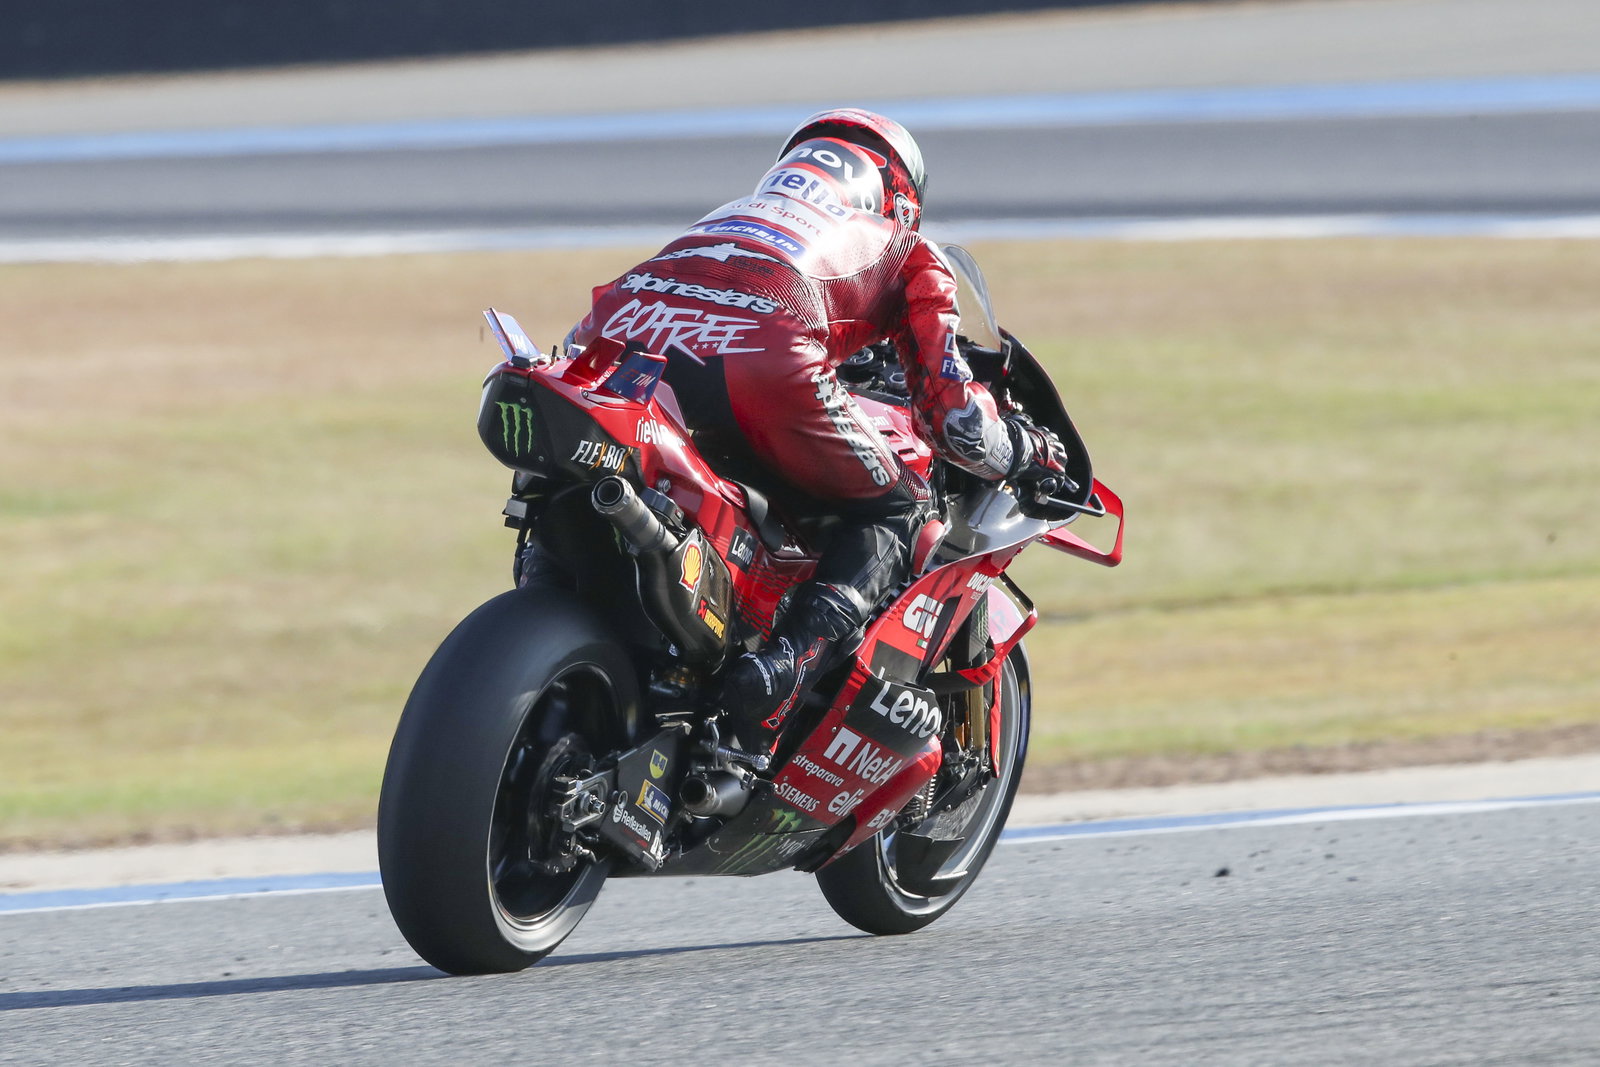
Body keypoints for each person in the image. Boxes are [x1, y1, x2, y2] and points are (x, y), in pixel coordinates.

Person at [564, 108, 1067, 750]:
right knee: (898, 506)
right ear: (900, 197)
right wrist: (1027, 450)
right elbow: (958, 425)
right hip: (765, 362)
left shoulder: (731, 216)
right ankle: (781, 673)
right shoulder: (906, 248)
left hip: (613, 348)